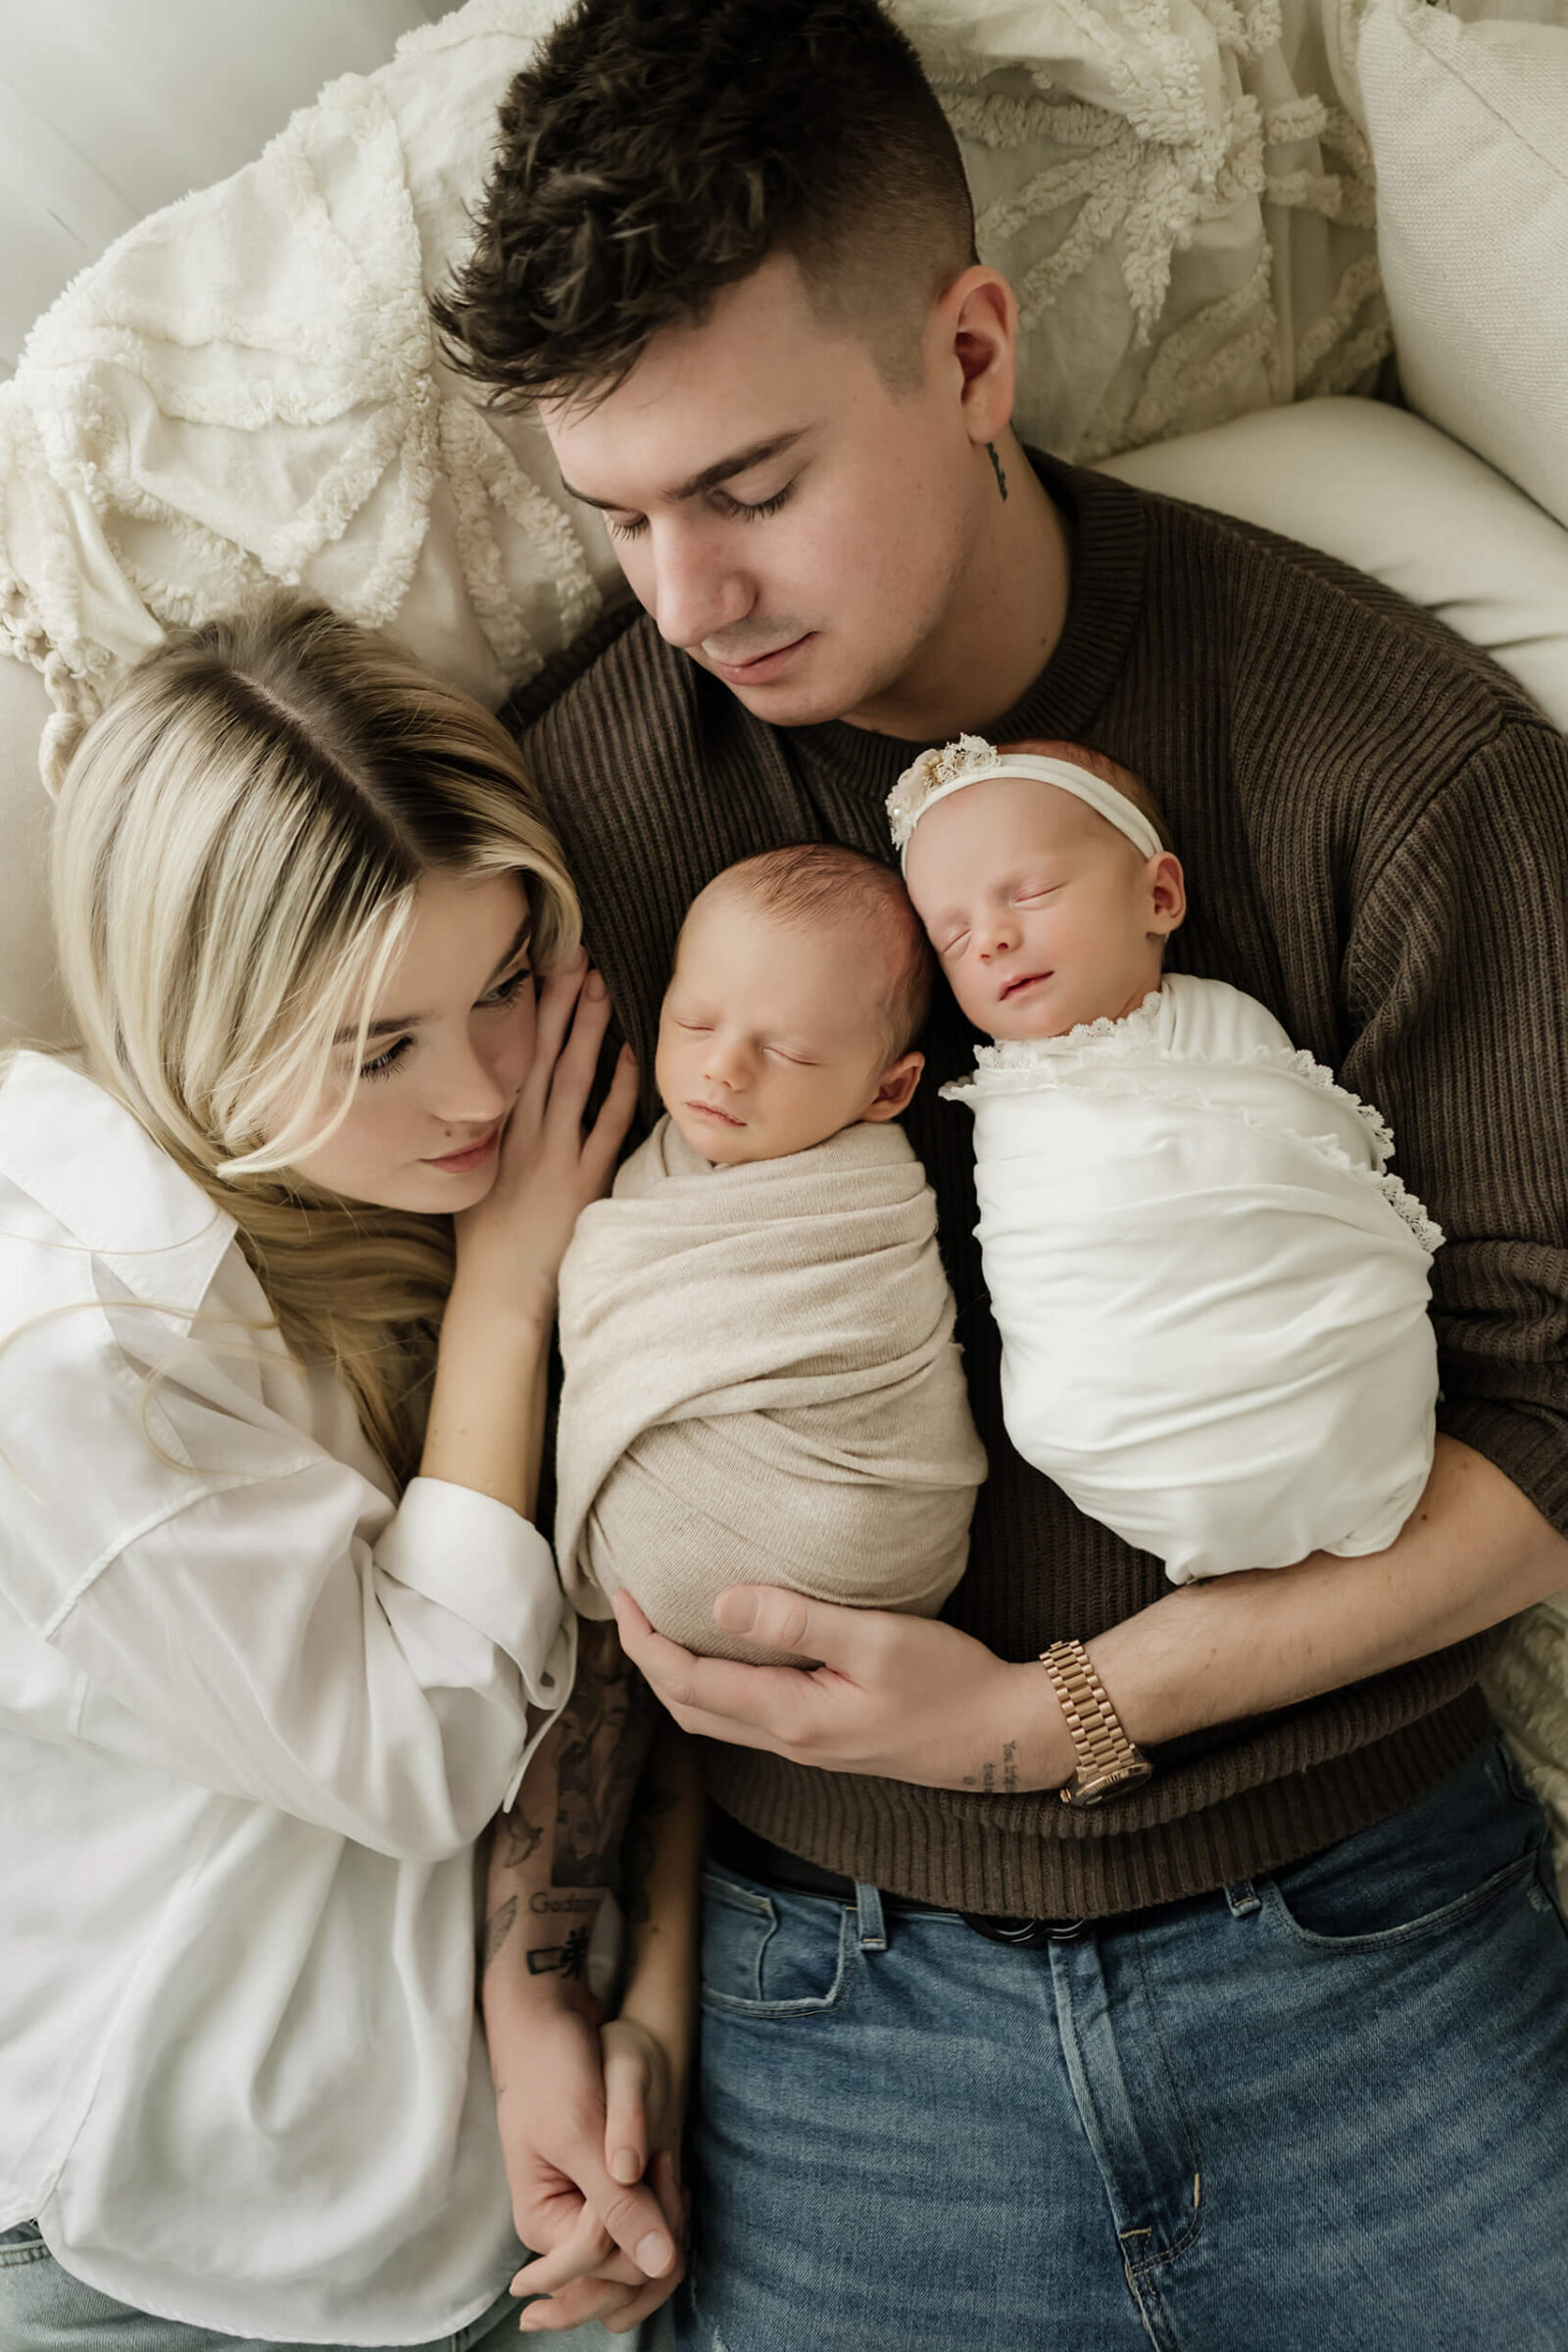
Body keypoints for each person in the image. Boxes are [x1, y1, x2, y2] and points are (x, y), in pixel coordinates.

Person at [432, 1, 1568, 2342]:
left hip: (1360, 1927)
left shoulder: (1385, 754)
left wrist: (1061, 1711)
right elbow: (590, 1469)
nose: (684, 599)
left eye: (746, 484)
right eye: (615, 514)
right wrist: (557, 1976)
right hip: (826, 2007)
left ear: (967, 352)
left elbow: (1551, 1420)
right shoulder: (590, 815)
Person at [0, 599, 690, 2351]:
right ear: (198, 1020)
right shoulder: (83, 1348)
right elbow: (418, 1747)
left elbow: (643, 1637)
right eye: (376, 1048)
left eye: (509, 982)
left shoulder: (474, 1175)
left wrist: (627, 2032)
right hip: (167, 2225)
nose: (476, 1092)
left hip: (499, 2184)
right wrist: (513, 1286)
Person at [897, 730, 1441, 1584]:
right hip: (1117, 1426)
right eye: (952, 937)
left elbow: (1311, 1175)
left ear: (1158, 895)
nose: (992, 939)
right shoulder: (1007, 1106)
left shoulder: (1229, 1026)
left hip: (1326, 1364)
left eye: (1029, 892)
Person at [554, 843, 985, 1658]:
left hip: (855, 1544)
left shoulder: (862, 1210)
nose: (721, 1067)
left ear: (888, 1090)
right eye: (695, 1022)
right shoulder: (659, 1164)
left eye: (784, 1051)